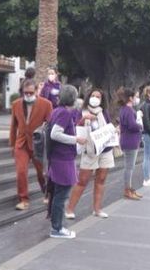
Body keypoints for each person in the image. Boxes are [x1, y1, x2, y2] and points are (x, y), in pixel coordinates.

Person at [64, 88, 115, 219]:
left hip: (105, 149)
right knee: (83, 180)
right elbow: (75, 127)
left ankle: (97, 209)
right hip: (89, 150)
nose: (95, 98)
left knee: (101, 179)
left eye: (98, 97)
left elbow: (108, 127)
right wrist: (83, 119)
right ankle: (70, 209)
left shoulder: (104, 113)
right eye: (93, 96)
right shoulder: (81, 111)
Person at [47, 85, 84, 239]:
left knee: (58, 194)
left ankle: (57, 226)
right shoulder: (64, 113)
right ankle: (57, 228)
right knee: (61, 195)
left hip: (58, 158)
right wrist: (76, 139)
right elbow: (56, 134)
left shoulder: (57, 111)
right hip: (63, 159)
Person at [9, 79, 52, 210]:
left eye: (30, 92)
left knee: (42, 173)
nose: (28, 95)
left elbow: (50, 125)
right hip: (21, 143)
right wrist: (12, 144)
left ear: (36, 91)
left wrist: (49, 146)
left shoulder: (46, 104)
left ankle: (47, 193)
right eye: (25, 92)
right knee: (21, 171)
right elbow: (13, 126)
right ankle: (23, 199)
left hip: (38, 143)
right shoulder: (16, 104)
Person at [118, 88, 143, 200]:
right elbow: (132, 125)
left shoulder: (125, 109)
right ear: (130, 98)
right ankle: (127, 189)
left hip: (128, 139)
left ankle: (129, 187)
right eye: (135, 96)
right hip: (130, 140)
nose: (137, 99)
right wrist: (140, 126)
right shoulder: (128, 110)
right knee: (129, 167)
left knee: (130, 166)